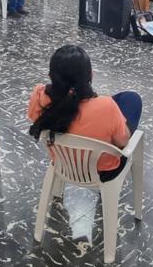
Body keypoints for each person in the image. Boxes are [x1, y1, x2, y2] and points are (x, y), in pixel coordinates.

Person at [27, 44, 142, 181]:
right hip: (103, 171)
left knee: (117, 103)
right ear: (91, 75)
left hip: (62, 163)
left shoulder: (39, 96)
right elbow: (122, 142)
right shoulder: (107, 107)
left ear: (50, 76)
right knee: (132, 98)